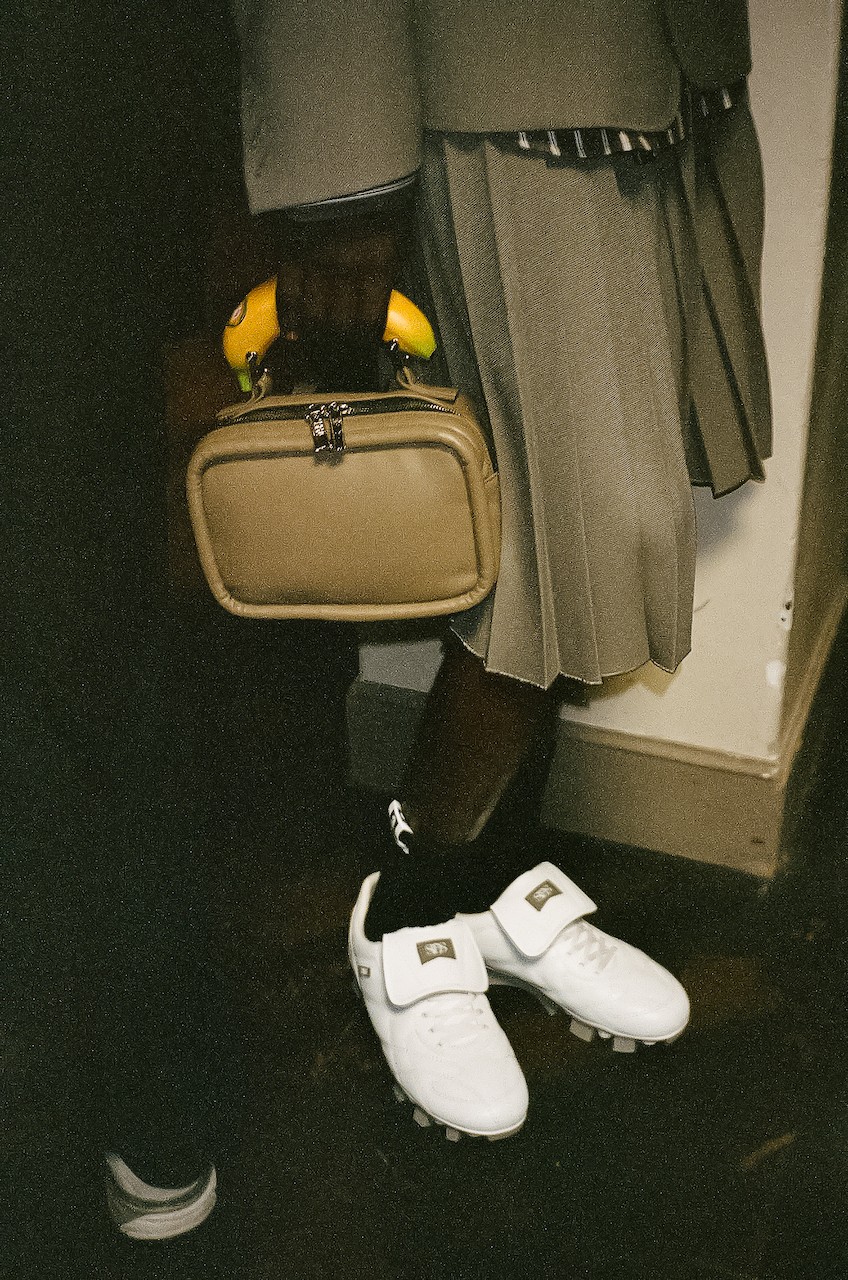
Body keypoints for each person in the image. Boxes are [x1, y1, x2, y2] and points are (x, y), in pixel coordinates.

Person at [227, 0, 772, 1143]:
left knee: (539, 533)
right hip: (497, 94)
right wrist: (340, 190)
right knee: (582, 538)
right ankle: (404, 912)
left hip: (651, 76)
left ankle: (485, 888)